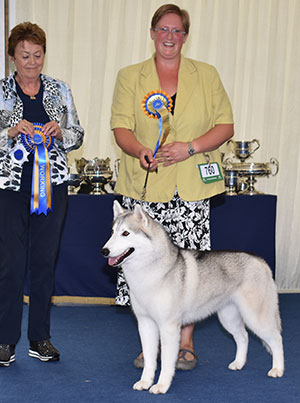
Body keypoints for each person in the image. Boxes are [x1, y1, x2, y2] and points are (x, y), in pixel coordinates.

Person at [110, 4, 234, 370]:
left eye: (177, 31)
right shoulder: (130, 76)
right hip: (146, 190)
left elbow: (225, 126)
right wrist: (140, 150)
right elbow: (121, 128)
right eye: (163, 29)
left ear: (185, 36)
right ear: (152, 33)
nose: (170, 37)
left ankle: (184, 343)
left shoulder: (207, 75)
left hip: (191, 187)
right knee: (145, 271)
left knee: (189, 271)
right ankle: (151, 345)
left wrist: (190, 147)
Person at [0, 22, 84, 367]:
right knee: (10, 265)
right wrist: (9, 131)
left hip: (53, 188)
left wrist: (59, 132)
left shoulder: (60, 89)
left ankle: (40, 338)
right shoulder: (1, 91)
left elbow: (78, 134)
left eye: (37, 55)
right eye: (24, 55)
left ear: (44, 55)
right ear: (12, 57)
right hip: (9, 190)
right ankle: (5, 341)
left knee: (43, 263)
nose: (32, 62)